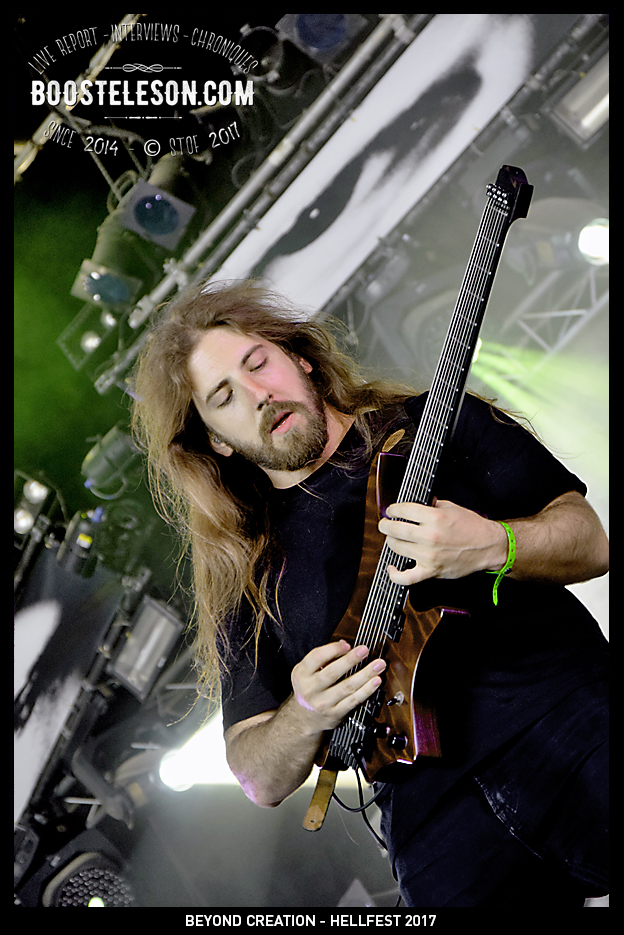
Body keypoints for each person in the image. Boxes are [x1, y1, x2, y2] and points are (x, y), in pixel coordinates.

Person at [131, 279, 609, 908]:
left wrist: (494, 544)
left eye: (258, 363)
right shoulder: (246, 572)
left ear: (299, 357)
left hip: (563, 716)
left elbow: (590, 542)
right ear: (216, 438)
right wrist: (304, 713)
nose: (257, 394)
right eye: (223, 397)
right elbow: (256, 775)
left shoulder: (435, 423)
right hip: (430, 816)